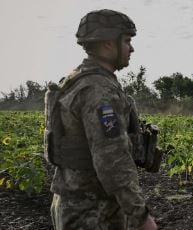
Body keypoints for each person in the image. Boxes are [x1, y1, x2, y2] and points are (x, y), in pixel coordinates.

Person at [45, 9, 157, 229]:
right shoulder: (98, 90)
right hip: (93, 212)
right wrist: (140, 215)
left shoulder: (76, 80)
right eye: (126, 41)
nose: (131, 48)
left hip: (74, 203)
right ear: (108, 44)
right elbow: (112, 159)